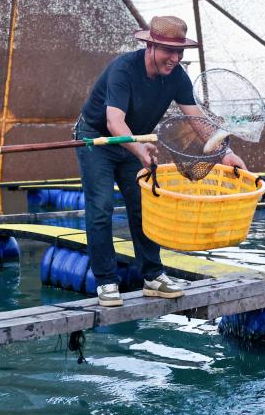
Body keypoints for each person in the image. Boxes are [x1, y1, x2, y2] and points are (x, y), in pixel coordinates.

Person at [75, 15, 246, 308]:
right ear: (150, 46)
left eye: (179, 51)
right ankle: (106, 282)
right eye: (169, 50)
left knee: (144, 208)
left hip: (134, 141)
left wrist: (225, 153)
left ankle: (153, 276)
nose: (175, 58)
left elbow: (197, 119)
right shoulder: (123, 70)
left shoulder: (177, 76)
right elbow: (114, 122)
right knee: (101, 207)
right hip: (97, 141)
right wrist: (139, 149)